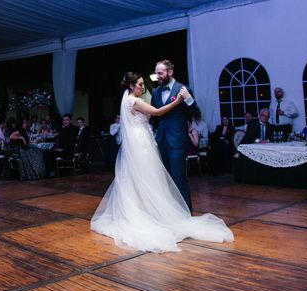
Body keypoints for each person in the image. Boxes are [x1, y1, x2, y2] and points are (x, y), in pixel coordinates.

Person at [91, 72, 234, 253]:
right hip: (140, 141)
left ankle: (144, 209)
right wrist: (177, 101)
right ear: (131, 86)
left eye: (143, 84)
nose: (142, 87)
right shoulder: (134, 101)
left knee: (138, 177)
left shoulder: (126, 99)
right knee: (147, 176)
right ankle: (148, 213)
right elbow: (158, 112)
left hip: (139, 139)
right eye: (140, 84)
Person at [150, 60, 201, 210]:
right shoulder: (156, 92)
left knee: (178, 177)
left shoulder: (183, 89)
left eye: (160, 73)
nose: (157, 76)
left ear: (170, 72)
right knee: (163, 179)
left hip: (177, 141)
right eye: (156, 73)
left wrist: (188, 98)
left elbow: (196, 114)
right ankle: (169, 212)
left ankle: (186, 214)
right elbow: (154, 116)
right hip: (161, 141)